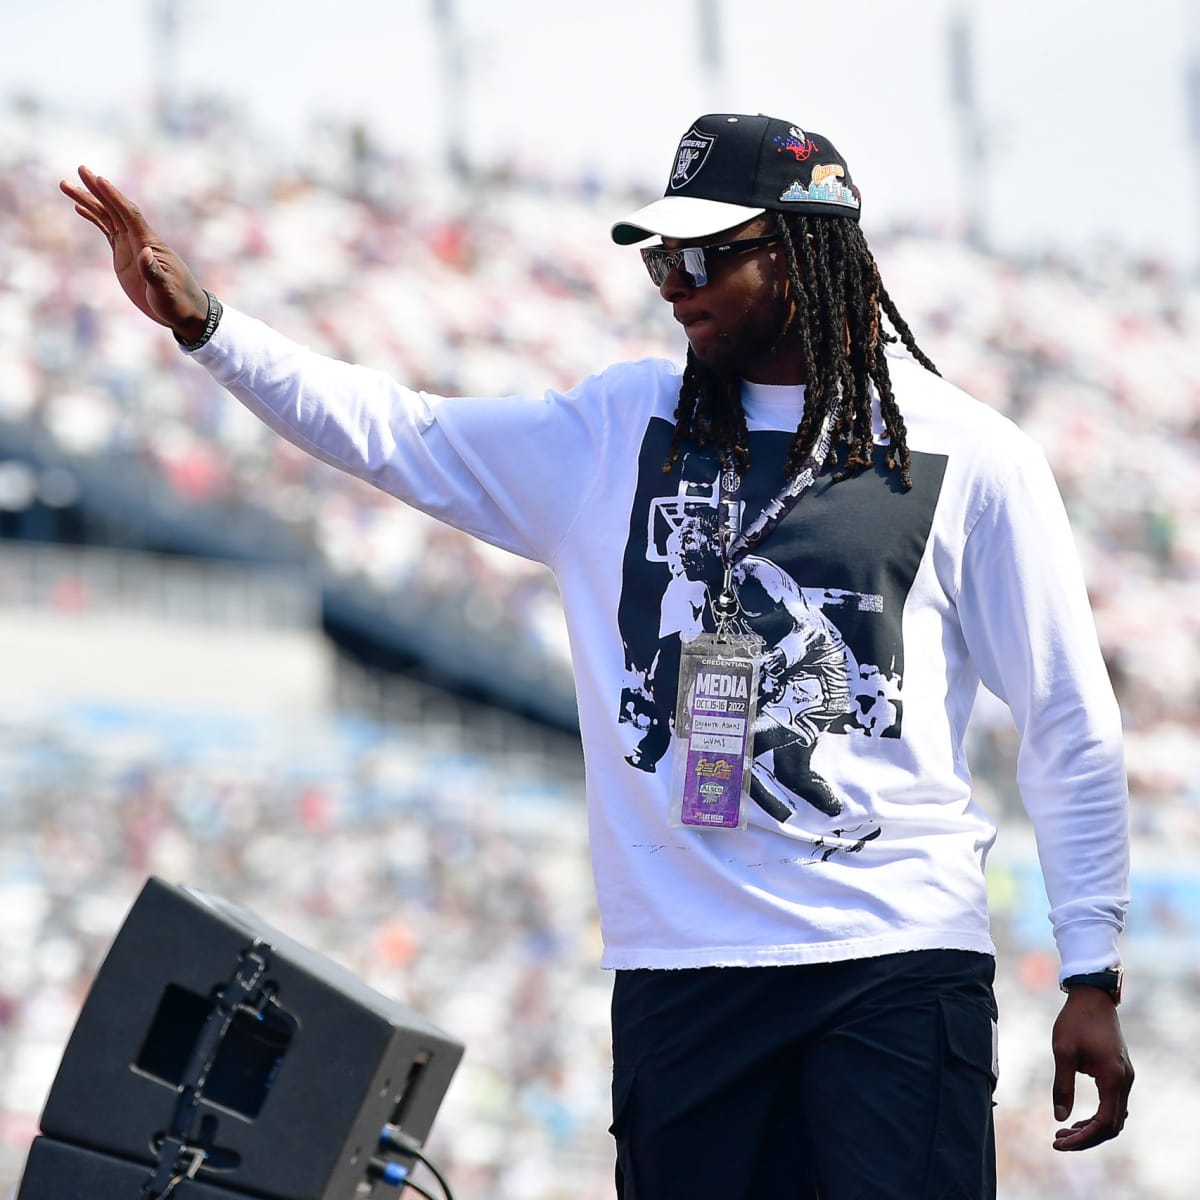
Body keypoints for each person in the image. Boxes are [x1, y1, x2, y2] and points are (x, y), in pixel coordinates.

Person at [61, 112, 1133, 1199]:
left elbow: (1067, 723)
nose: (673, 280)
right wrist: (207, 327)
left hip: (895, 966)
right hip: (679, 973)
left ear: (808, 250)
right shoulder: (617, 426)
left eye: (705, 253)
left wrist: (1091, 970)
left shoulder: (973, 456)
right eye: (661, 256)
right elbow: (401, 434)